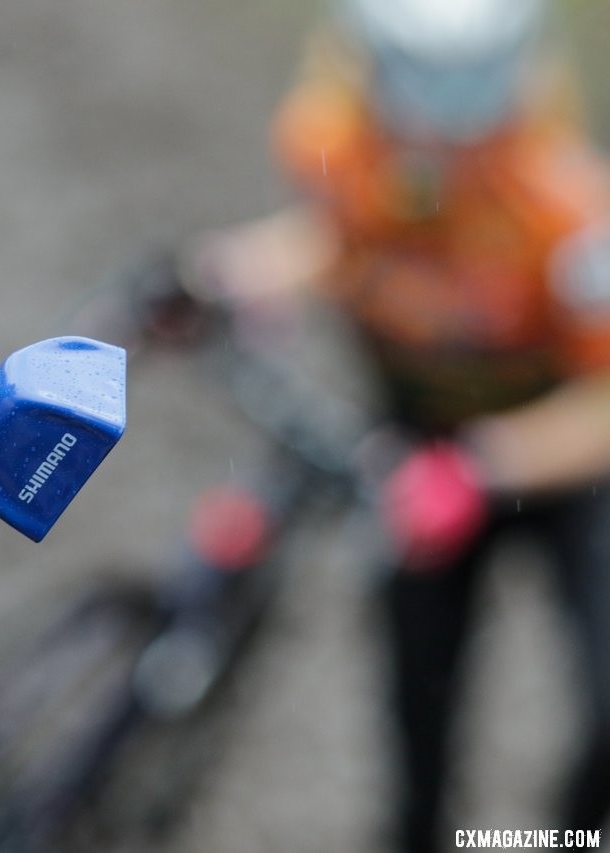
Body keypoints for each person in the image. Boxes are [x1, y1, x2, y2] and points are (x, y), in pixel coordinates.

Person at [200, 0, 610, 847]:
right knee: (418, 692)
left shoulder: (568, 211)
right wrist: (253, 270)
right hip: (419, 445)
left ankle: (568, 835)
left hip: (563, 465)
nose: (443, 133)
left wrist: (487, 464)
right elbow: (342, 240)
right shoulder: (339, 143)